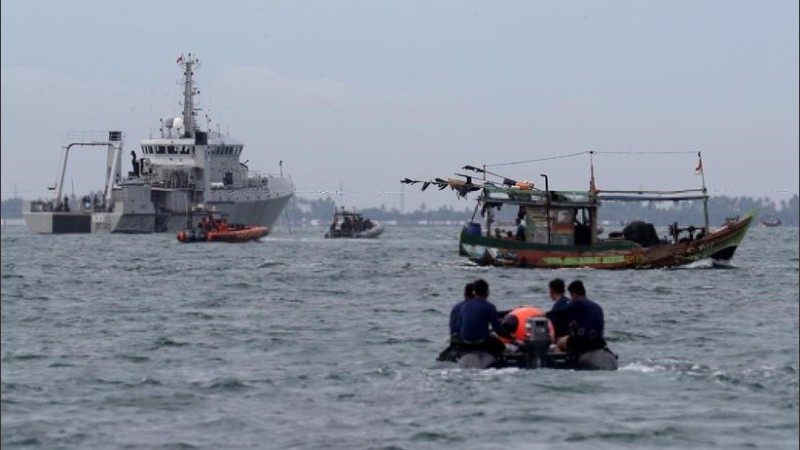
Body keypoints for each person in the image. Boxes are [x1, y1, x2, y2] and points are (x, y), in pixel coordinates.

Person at [545, 280, 617, 370]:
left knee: (560, 342)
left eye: (571, 296)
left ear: (575, 294)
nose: (570, 299)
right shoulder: (597, 306)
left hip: (583, 342)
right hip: (599, 342)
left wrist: (544, 315)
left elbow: (562, 312)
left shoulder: (578, 302)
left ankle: (562, 366)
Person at [459, 279, 513, 357]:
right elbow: (498, 329)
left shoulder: (464, 306)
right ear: (487, 292)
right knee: (500, 345)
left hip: (465, 343)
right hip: (481, 343)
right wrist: (511, 337)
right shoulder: (489, 307)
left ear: (474, 292)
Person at [437, 283, 475, 362]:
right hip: (466, 342)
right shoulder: (474, 307)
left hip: (453, 340)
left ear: (464, 294)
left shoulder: (456, 307)